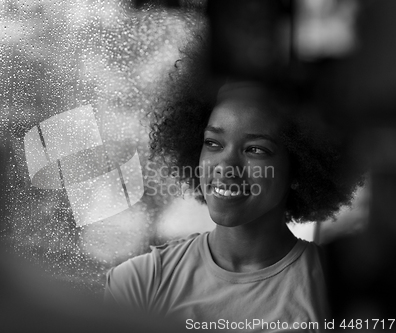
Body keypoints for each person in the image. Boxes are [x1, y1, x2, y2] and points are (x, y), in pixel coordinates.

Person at [104, 40, 364, 331]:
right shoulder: (141, 283)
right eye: (213, 143)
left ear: (299, 168)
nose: (225, 166)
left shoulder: (336, 290)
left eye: (255, 149)